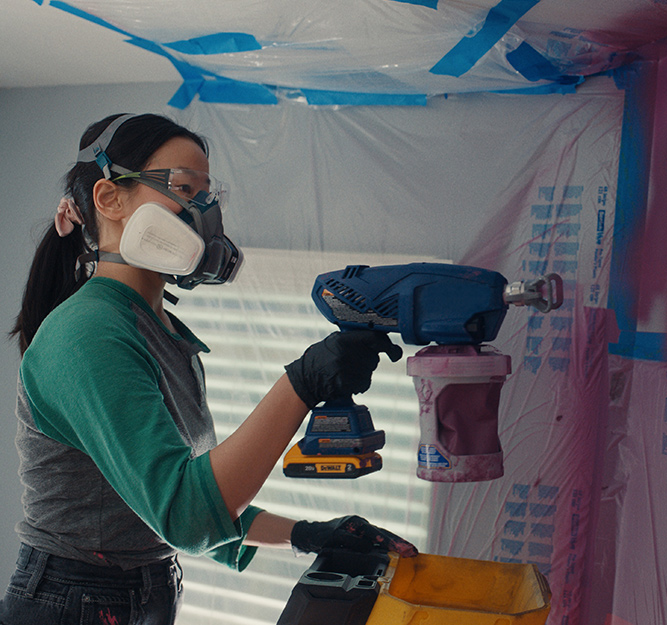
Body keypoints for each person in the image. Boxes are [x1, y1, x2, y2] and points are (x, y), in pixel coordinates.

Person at [0, 113, 417, 625]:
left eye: (207, 192)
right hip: (75, 601)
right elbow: (186, 515)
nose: (204, 210)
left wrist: (307, 533)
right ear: (109, 200)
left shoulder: (161, 331)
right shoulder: (90, 332)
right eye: (182, 188)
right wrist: (301, 384)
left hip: (133, 590)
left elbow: (190, 501)